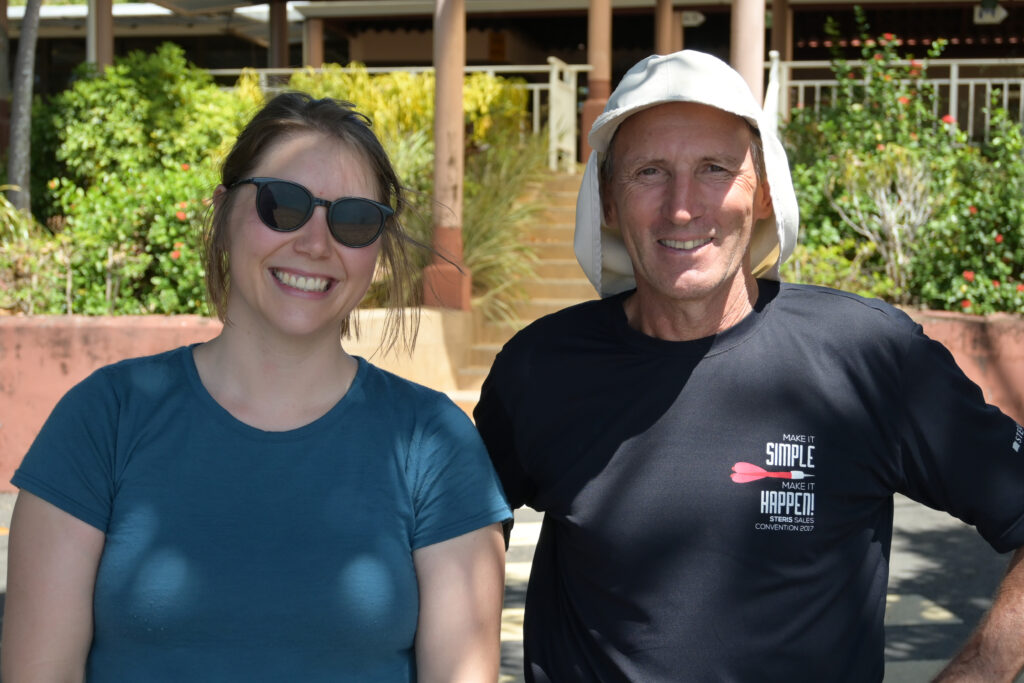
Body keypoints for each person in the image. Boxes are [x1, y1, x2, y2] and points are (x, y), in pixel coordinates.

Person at [474, 50, 1024, 682]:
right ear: (606, 201)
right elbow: (455, 532)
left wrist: (979, 670)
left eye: (715, 169)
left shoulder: (870, 357)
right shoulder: (542, 367)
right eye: (649, 172)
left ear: (763, 192)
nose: (683, 207)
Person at [3, 92, 511, 682]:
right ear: (222, 213)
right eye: (283, 205)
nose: (316, 244)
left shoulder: (434, 443)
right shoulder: (103, 419)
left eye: (353, 219)